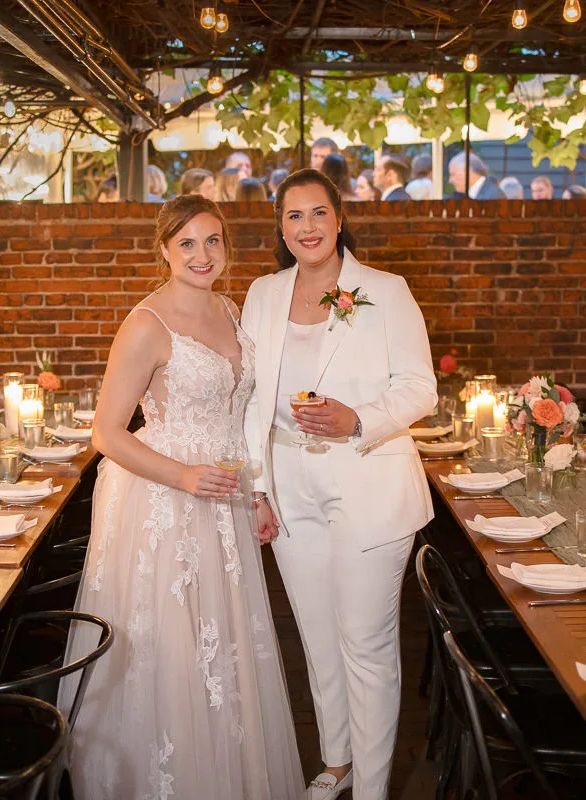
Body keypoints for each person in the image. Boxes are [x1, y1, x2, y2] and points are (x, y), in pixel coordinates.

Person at [60, 194, 304, 800]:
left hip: (224, 498)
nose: (202, 254)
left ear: (226, 247)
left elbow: (238, 419)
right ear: (165, 249)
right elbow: (107, 433)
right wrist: (184, 477)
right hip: (161, 502)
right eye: (187, 243)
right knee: (169, 647)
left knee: (222, 649)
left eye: (213, 241)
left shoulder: (231, 309)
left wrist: (255, 493)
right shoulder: (146, 323)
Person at [241, 169, 437, 800]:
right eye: (294, 216)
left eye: (319, 213)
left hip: (369, 483)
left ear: (339, 217)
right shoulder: (263, 295)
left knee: (366, 641)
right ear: (280, 225)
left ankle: (374, 788)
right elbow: (249, 400)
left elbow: (420, 388)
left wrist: (359, 419)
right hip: (290, 485)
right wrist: (258, 487)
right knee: (319, 638)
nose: (308, 227)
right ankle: (337, 764)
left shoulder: (384, 290)